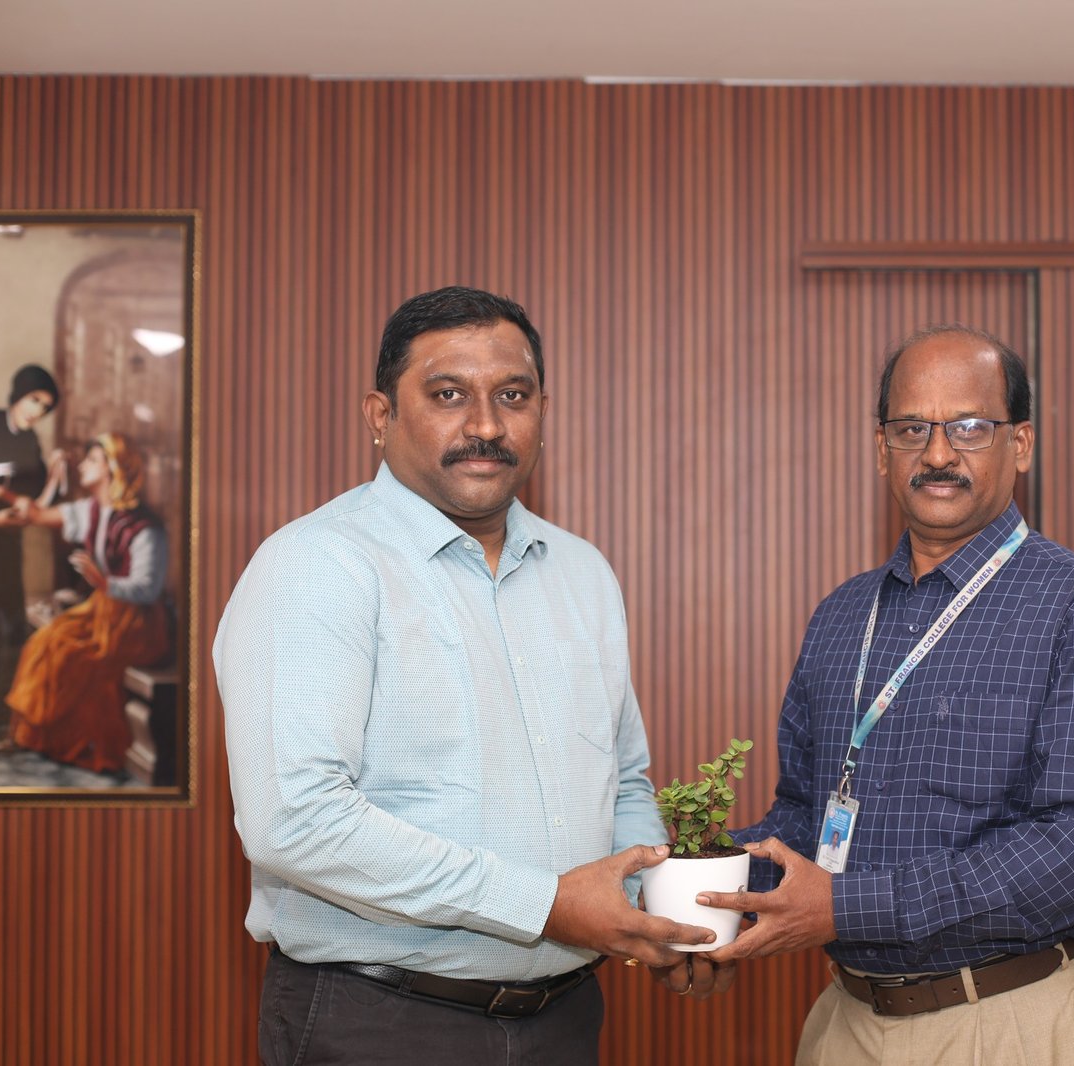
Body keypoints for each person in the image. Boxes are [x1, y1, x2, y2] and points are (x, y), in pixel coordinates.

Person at [214, 286, 724, 1066]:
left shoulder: (583, 573)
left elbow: (622, 783)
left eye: (512, 396)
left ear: (543, 412)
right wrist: (546, 906)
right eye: (448, 395)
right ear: (380, 416)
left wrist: (654, 918)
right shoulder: (317, 566)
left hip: (565, 1021)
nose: (486, 426)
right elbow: (296, 821)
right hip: (380, 1025)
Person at [700, 326, 1074, 1065]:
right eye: (912, 428)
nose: (938, 454)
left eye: (969, 427)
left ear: (1021, 444)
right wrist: (700, 903)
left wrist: (844, 908)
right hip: (846, 1022)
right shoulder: (842, 616)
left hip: (1009, 1021)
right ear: (882, 449)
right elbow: (805, 817)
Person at [0, 431, 170, 772]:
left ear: (112, 468)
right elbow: (37, 515)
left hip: (136, 622)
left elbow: (147, 590)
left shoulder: (144, 527)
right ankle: (34, 735)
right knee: (42, 642)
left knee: (73, 655)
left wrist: (104, 582)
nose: (82, 466)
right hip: (102, 610)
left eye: (92, 460)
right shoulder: (90, 511)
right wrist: (9, 493)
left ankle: (64, 741)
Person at [0, 365, 62, 706]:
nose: (37, 411)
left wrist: (55, 476)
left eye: (45, 407)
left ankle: (4, 713)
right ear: (19, 394)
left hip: (5, 549)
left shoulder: (30, 441)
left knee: (12, 629)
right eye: (34, 400)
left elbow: (35, 506)